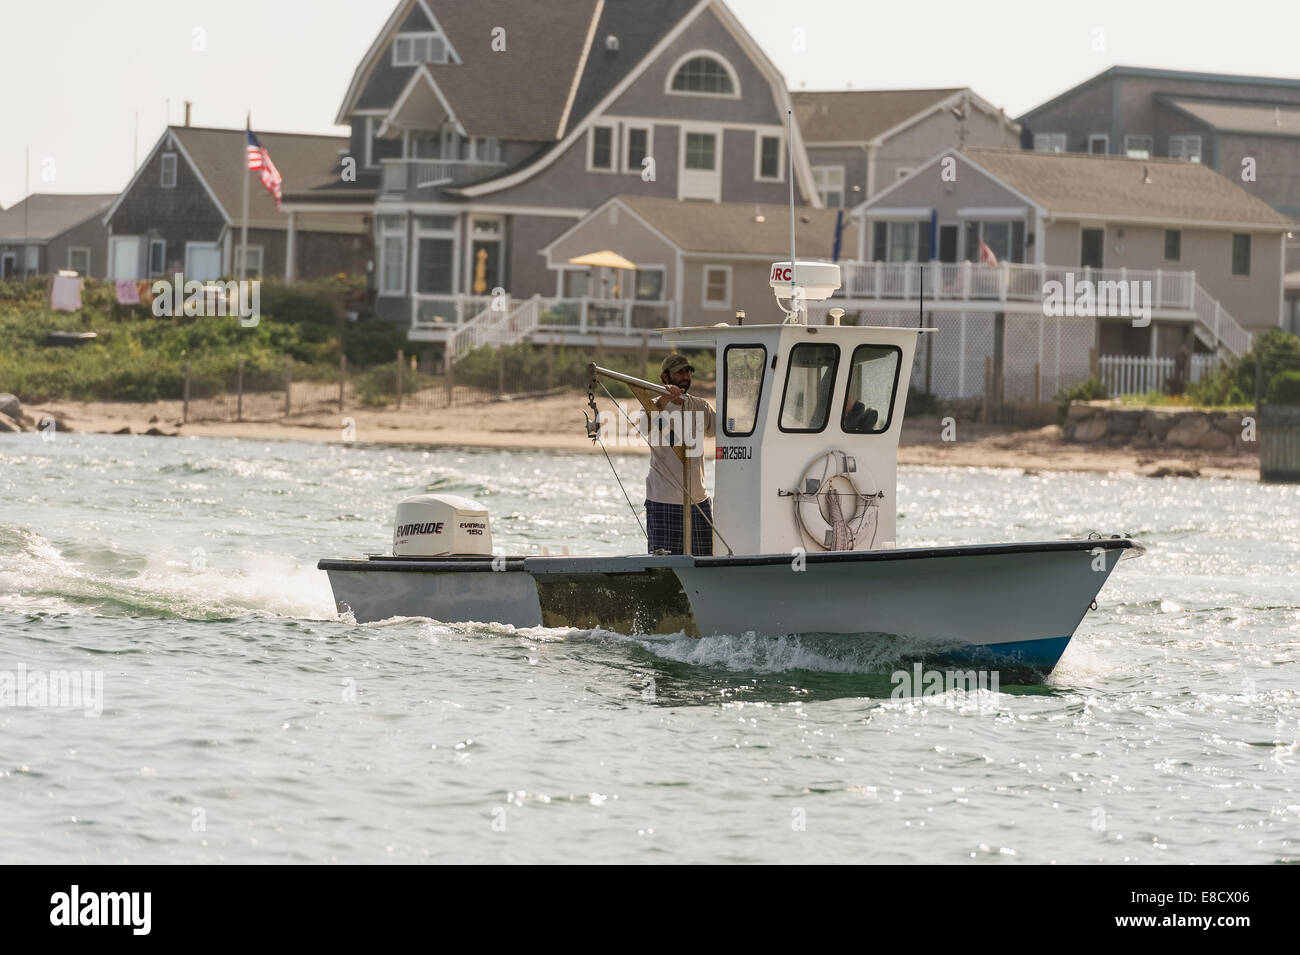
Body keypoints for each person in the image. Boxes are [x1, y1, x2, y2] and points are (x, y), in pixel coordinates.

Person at [644, 353, 716, 555]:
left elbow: (726, 431)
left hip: (698, 500)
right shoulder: (651, 406)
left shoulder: (700, 406)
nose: (685, 377)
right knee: (665, 567)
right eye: (679, 373)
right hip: (663, 501)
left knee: (705, 562)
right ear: (665, 377)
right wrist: (665, 400)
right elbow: (643, 427)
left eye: (687, 372)